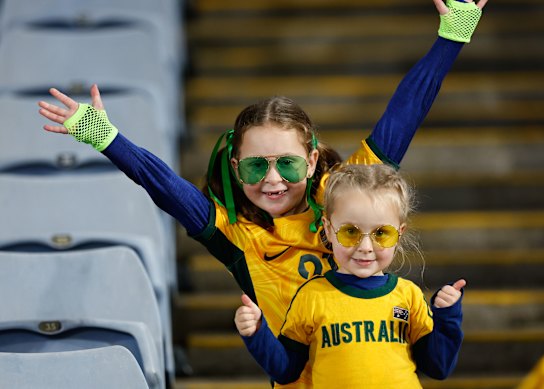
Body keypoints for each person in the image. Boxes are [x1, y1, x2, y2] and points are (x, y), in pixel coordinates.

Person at [38, 0, 484, 386]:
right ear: (236, 168)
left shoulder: (347, 191)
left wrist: (451, 37)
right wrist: (105, 137)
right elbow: (165, 188)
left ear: (310, 163)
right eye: (256, 165)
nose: (272, 179)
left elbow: (403, 115)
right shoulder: (236, 234)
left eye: (287, 163)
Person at [235, 163, 466, 388]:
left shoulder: (409, 296)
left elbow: (438, 367)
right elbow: (285, 371)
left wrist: (447, 316)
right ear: (328, 229)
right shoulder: (311, 297)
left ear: (399, 233)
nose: (365, 246)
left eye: (381, 233)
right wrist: (258, 332)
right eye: (350, 232)